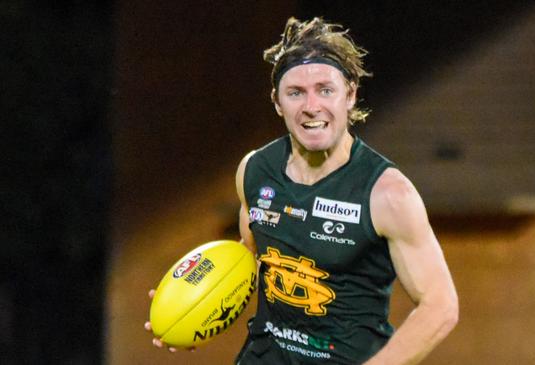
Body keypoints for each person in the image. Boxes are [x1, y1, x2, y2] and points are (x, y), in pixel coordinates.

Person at [147, 16, 458, 364]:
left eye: (326, 90)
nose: (312, 106)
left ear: (350, 95)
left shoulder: (388, 194)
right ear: (278, 102)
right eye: (296, 93)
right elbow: (246, 259)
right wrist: (191, 305)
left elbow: (440, 306)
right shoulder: (254, 171)